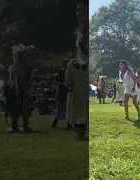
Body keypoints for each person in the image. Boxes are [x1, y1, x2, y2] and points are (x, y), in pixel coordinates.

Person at [65, 1, 88, 140]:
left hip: (87, 70)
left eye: (82, 11)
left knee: (84, 100)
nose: (79, 13)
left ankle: (83, 126)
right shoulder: (79, 32)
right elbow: (80, 53)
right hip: (77, 69)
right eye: (77, 10)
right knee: (76, 99)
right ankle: (80, 127)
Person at [5, 43, 35, 133]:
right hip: (21, 91)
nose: (27, 58)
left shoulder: (12, 67)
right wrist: (27, 85)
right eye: (25, 56)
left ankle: (14, 126)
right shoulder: (21, 67)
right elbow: (21, 82)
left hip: (15, 91)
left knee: (16, 109)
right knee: (25, 109)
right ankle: (24, 127)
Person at [51, 60, 70, 129]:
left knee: (66, 109)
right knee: (60, 108)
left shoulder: (69, 72)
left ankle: (69, 124)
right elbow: (55, 81)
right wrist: (64, 84)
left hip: (67, 92)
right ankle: (54, 123)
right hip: (61, 92)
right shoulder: (62, 72)